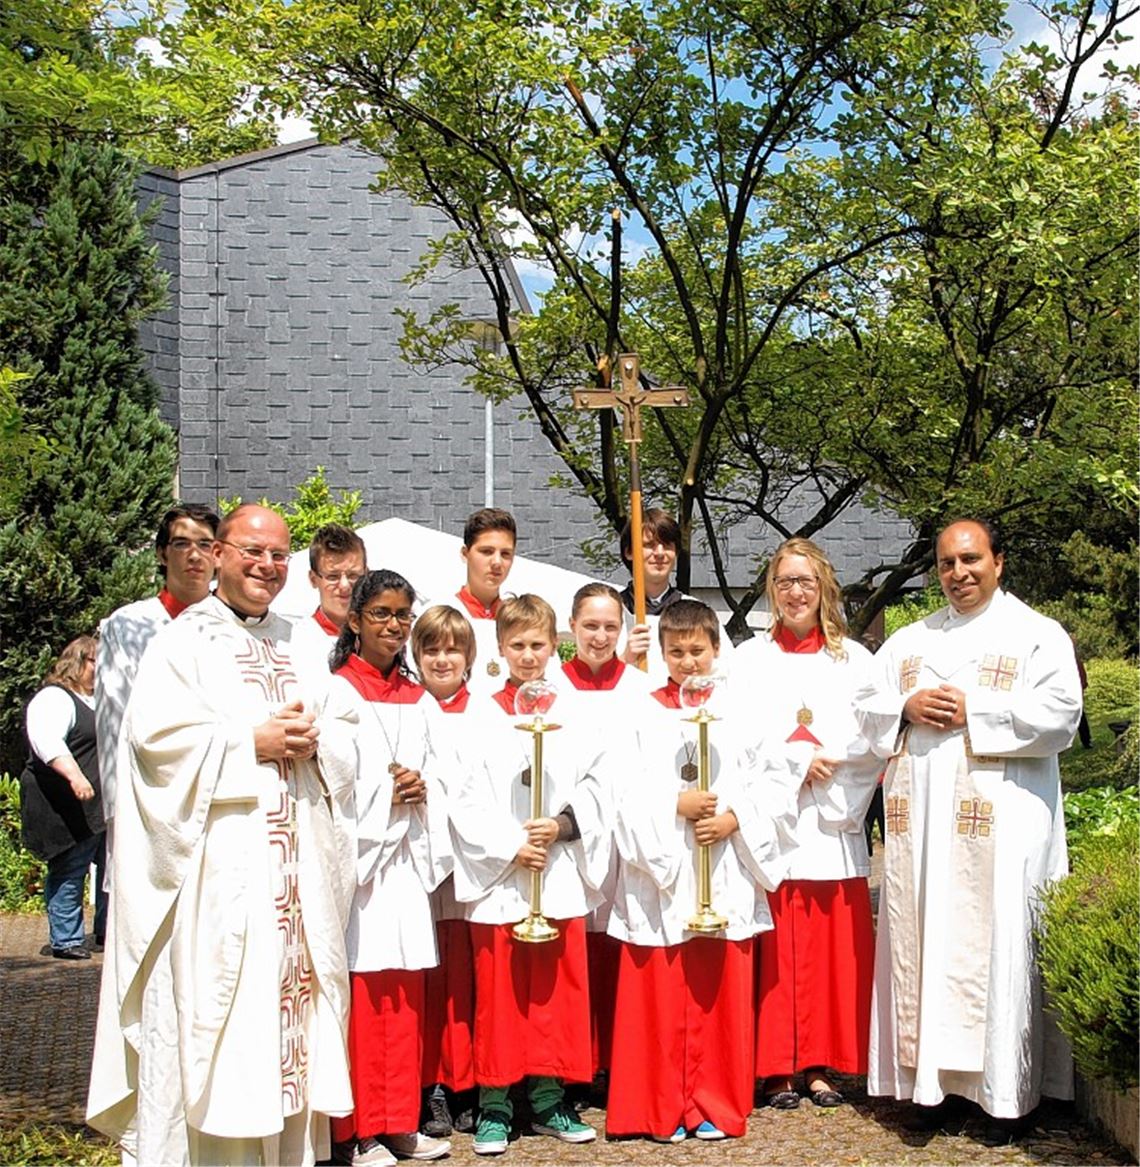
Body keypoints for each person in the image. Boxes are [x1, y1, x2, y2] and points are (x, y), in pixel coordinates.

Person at [87, 504, 359, 1166]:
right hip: (220, 889)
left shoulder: (301, 644)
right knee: (221, 1036)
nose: (267, 565)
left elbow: (349, 728)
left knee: (288, 1046)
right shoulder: (183, 643)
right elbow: (152, 751)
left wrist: (321, 740)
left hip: (294, 890)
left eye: (278, 555)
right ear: (218, 555)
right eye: (252, 551)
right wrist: (251, 743)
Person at [854, 518, 1082, 1120]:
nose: (959, 574)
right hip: (923, 837)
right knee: (925, 936)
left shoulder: (1036, 634)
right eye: (948, 564)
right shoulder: (910, 641)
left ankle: (1002, 1095)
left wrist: (974, 710)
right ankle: (931, 1087)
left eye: (971, 560)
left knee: (997, 940)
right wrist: (905, 705)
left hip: (1003, 829)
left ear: (998, 561)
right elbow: (866, 708)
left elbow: (1061, 715)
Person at [605, 599, 795, 1142]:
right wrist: (674, 807)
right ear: (661, 653)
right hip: (665, 874)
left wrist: (736, 818)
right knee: (661, 994)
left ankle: (713, 1102)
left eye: (697, 651)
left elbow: (776, 781)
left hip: (725, 865)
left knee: (717, 993)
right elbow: (621, 790)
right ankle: (658, 1105)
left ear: (717, 650)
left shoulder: (746, 709)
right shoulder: (640, 710)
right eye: (676, 651)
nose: (688, 662)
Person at [451, 595, 613, 1154]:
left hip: (557, 871)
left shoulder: (575, 713)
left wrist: (564, 825)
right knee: (498, 995)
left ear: (554, 646)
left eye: (537, 645)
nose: (527, 655)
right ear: (500, 647)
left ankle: (548, 1099)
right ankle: (495, 1103)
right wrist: (511, 844)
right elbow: (464, 797)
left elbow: (598, 783)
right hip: (502, 878)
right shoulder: (481, 714)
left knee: (552, 995)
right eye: (516, 645)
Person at [733, 538, 880, 1110]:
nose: (796, 592)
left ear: (825, 589)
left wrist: (830, 766)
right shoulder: (746, 660)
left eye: (807, 582)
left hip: (830, 820)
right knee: (777, 950)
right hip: (774, 822)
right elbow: (732, 739)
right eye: (786, 581)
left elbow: (873, 738)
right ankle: (776, 1067)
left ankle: (821, 1064)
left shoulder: (856, 662)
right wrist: (797, 763)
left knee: (826, 949)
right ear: (772, 588)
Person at [328, 573, 451, 1166]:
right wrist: (386, 795)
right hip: (359, 869)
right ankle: (358, 1131)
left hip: (404, 864)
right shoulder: (334, 693)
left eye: (403, 614)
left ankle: (400, 1121)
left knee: (404, 998)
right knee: (362, 1000)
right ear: (354, 620)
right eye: (381, 613)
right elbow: (328, 788)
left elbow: (443, 778)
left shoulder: (419, 698)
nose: (394, 625)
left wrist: (422, 790)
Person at [95, 502, 219, 872]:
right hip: (152, 801)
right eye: (182, 544)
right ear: (162, 553)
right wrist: (120, 817)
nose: (194, 555)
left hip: (219, 796)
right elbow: (115, 724)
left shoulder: (232, 629)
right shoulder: (129, 627)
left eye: (206, 544)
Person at [558, 583, 650, 1081]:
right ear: (572, 626)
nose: (599, 636)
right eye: (590, 626)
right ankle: (575, 1062)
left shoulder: (640, 688)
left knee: (619, 944)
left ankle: (615, 1060)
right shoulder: (551, 685)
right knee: (575, 949)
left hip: (624, 834)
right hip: (570, 836)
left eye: (610, 627)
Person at [411, 607, 479, 1137]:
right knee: (430, 980)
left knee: (468, 981)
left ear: (469, 657)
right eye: (431, 650)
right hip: (420, 863)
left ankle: (468, 1082)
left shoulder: (488, 715)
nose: (442, 659)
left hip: (477, 866)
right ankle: (431, 1083)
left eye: (452, 649)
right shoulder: (406, 709)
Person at [20, 635, 107, 959]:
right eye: (96, 661)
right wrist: (76, 777)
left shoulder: (102, 700)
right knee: (71, 868)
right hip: (65, 805)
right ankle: (66, 940)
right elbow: (47, 741)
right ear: (78, 662)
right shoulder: (54, 699)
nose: (102, 669)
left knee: (112, 869)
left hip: (100, 805)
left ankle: (106, 931)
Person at [617, 508, 733, 685]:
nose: (660, 553)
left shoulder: (697, 613)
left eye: (668, 545)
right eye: (649, 545)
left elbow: (726, 673)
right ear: (629, 552)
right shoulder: (610, 613)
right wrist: (624, 659)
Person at [434, 508, 518, 696]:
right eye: (486, 551)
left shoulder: (522, 620)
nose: (497, 562)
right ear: (465, 554)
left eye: (505, 554)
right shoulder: (438, 616)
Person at [290, 523, 368, 676]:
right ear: (313, 579)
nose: (345, 585)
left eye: (353, 575)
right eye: (333, 577)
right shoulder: (296, 641)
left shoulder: (385, 639)